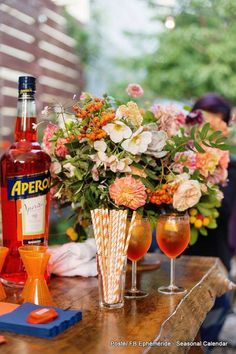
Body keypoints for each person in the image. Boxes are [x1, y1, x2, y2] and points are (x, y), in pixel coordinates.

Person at [184, 93, 236, 349]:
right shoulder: (173, 164)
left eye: (219, 123)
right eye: (205, 122)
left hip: (216, 273)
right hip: (175, 271)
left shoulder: (232, 170)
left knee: (204, 345)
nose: (211, 129)